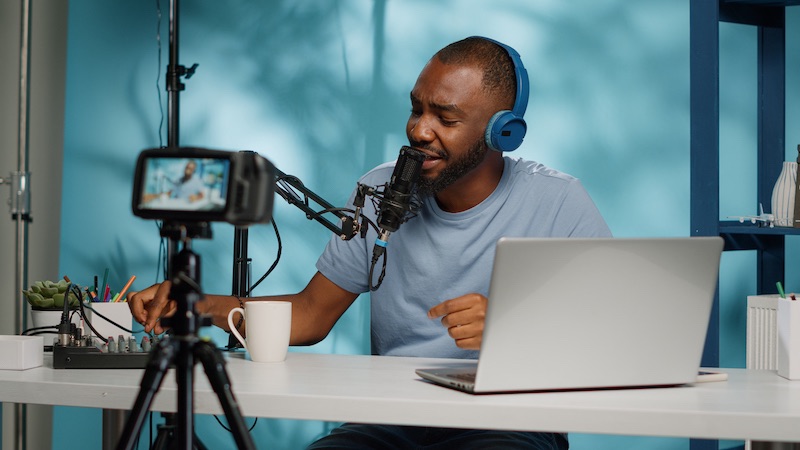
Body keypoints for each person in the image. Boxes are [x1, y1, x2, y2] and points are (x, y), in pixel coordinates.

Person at [129, 36, 611, 449]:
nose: (419, 129)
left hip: (508, 421)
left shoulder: (558, 201)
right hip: (389, 417)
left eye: (445, 117)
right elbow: (312, 313)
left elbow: (610, 335)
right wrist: (196, 306)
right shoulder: (380, 189)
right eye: (416, 108)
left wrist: (514, 328)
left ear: (503, 132)